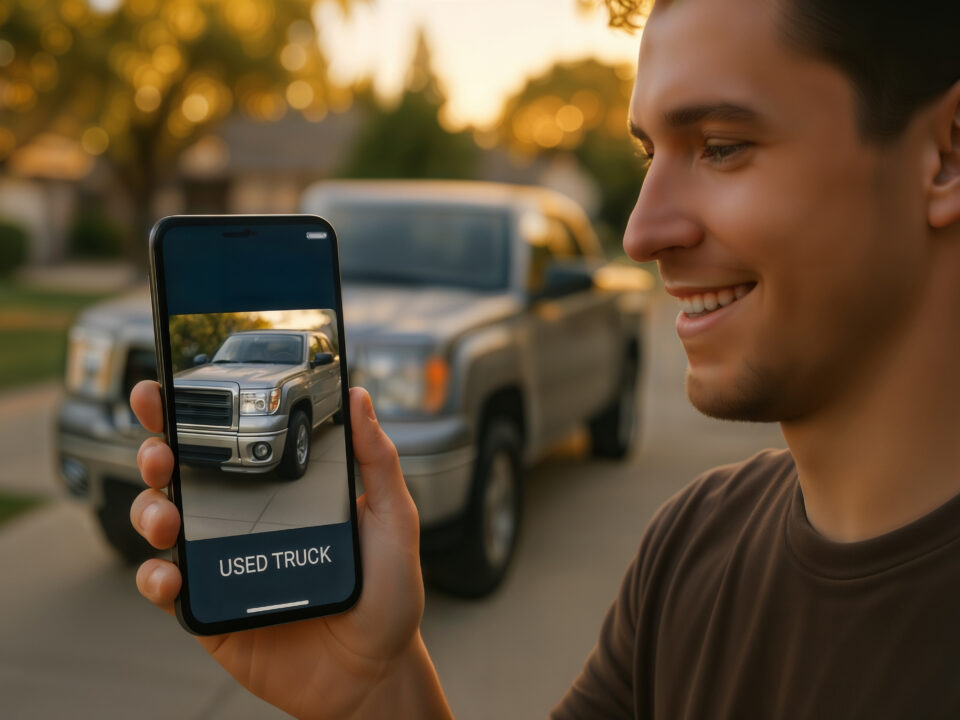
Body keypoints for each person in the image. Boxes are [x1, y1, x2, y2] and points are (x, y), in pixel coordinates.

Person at [129, 0, 960, 716]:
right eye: (648, 154)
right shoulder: (691, 551)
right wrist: (375, 691)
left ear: (945, 154)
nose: (640, 234)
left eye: (720, 146)